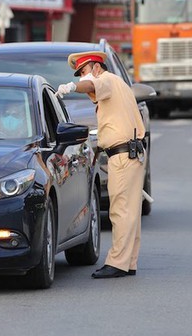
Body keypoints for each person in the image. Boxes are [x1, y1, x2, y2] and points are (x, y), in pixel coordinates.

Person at [57, 51, 146, 279]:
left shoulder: (106, 79)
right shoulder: (120, 85)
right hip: (131, 154)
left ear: (96, 67)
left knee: (120, 211)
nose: (82, 78)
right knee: (130, 212)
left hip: (123, 156)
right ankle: (129, 262)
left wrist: (72, 87)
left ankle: (117, 263)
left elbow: (90, 84)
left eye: (84, 72)